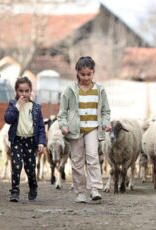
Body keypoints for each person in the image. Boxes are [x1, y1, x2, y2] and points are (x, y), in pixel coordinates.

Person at [57, 56, 111, 203]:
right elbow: (62, 113)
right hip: (75, 130)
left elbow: (106, 111)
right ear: (77, 73)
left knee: (93, 157)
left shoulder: (99, 90)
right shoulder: (70, 91)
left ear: (93, 72)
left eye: (89, 74)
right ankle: (80, 192)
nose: (86, 77)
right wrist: (63, 125)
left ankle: (94, 189)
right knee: (77, 161)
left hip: (93, 128)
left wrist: (106, 123)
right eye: (83, 74)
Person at [4, 77, 46, 202]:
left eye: (26, 91)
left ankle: (33, 186)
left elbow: (40, 127)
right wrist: (17, 106)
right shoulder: (13, 104)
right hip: (17, 140)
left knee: (30, 168)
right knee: (16, 166)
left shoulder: (36, 108)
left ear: (31, 91)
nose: (24, 94)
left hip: (30, 141)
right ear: (16, 91)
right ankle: (15, 191)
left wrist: (41, 142)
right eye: (21, 91)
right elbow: (8, 119)